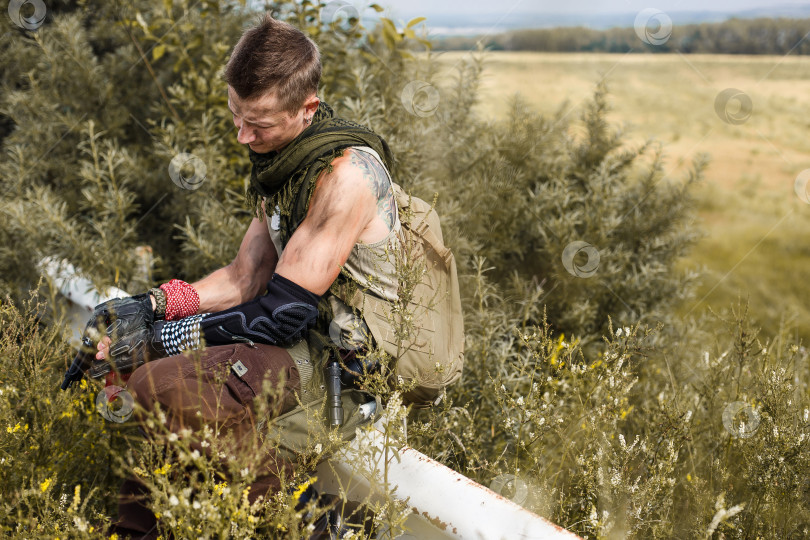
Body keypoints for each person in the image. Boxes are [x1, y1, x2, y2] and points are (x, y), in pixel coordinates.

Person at [94, 15, 410, 538]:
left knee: (159, 383)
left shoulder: (348, 176)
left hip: (347, 367)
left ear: (307, 108)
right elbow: (245, 275)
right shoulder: (285, 162)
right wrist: (147, 307)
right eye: (235, 115)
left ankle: (306, 521)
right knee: (152, 381)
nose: (243, 135)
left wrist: (160, 339)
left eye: (258, 123)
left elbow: (281, 315)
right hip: (300, 342)